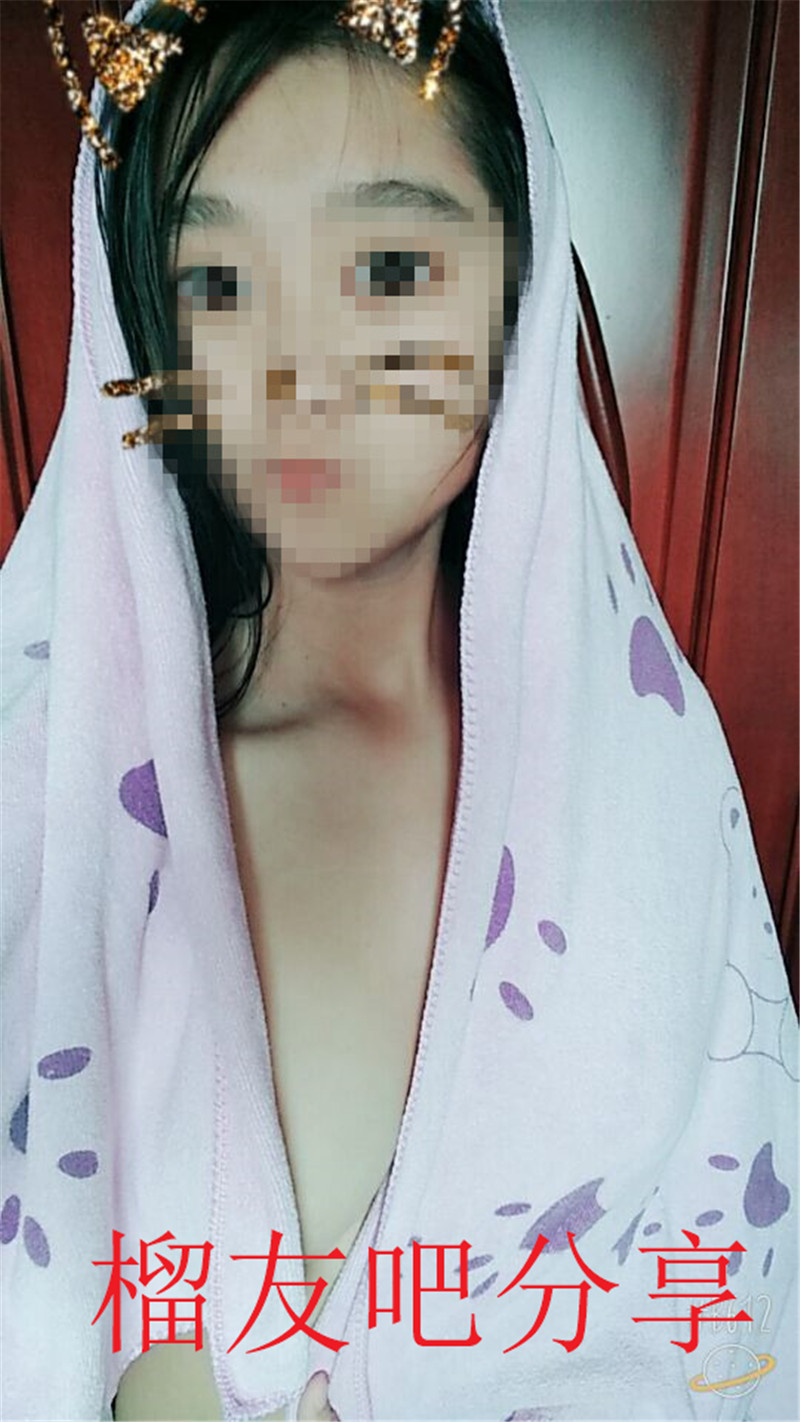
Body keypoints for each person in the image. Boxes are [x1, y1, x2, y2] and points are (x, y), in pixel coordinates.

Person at [1, 3, 796, 1420]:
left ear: (518, 291)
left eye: (387, 267)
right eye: (218, 282)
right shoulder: (39, 772)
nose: (300, 373)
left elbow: (735, 1279)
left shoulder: (655, 785)